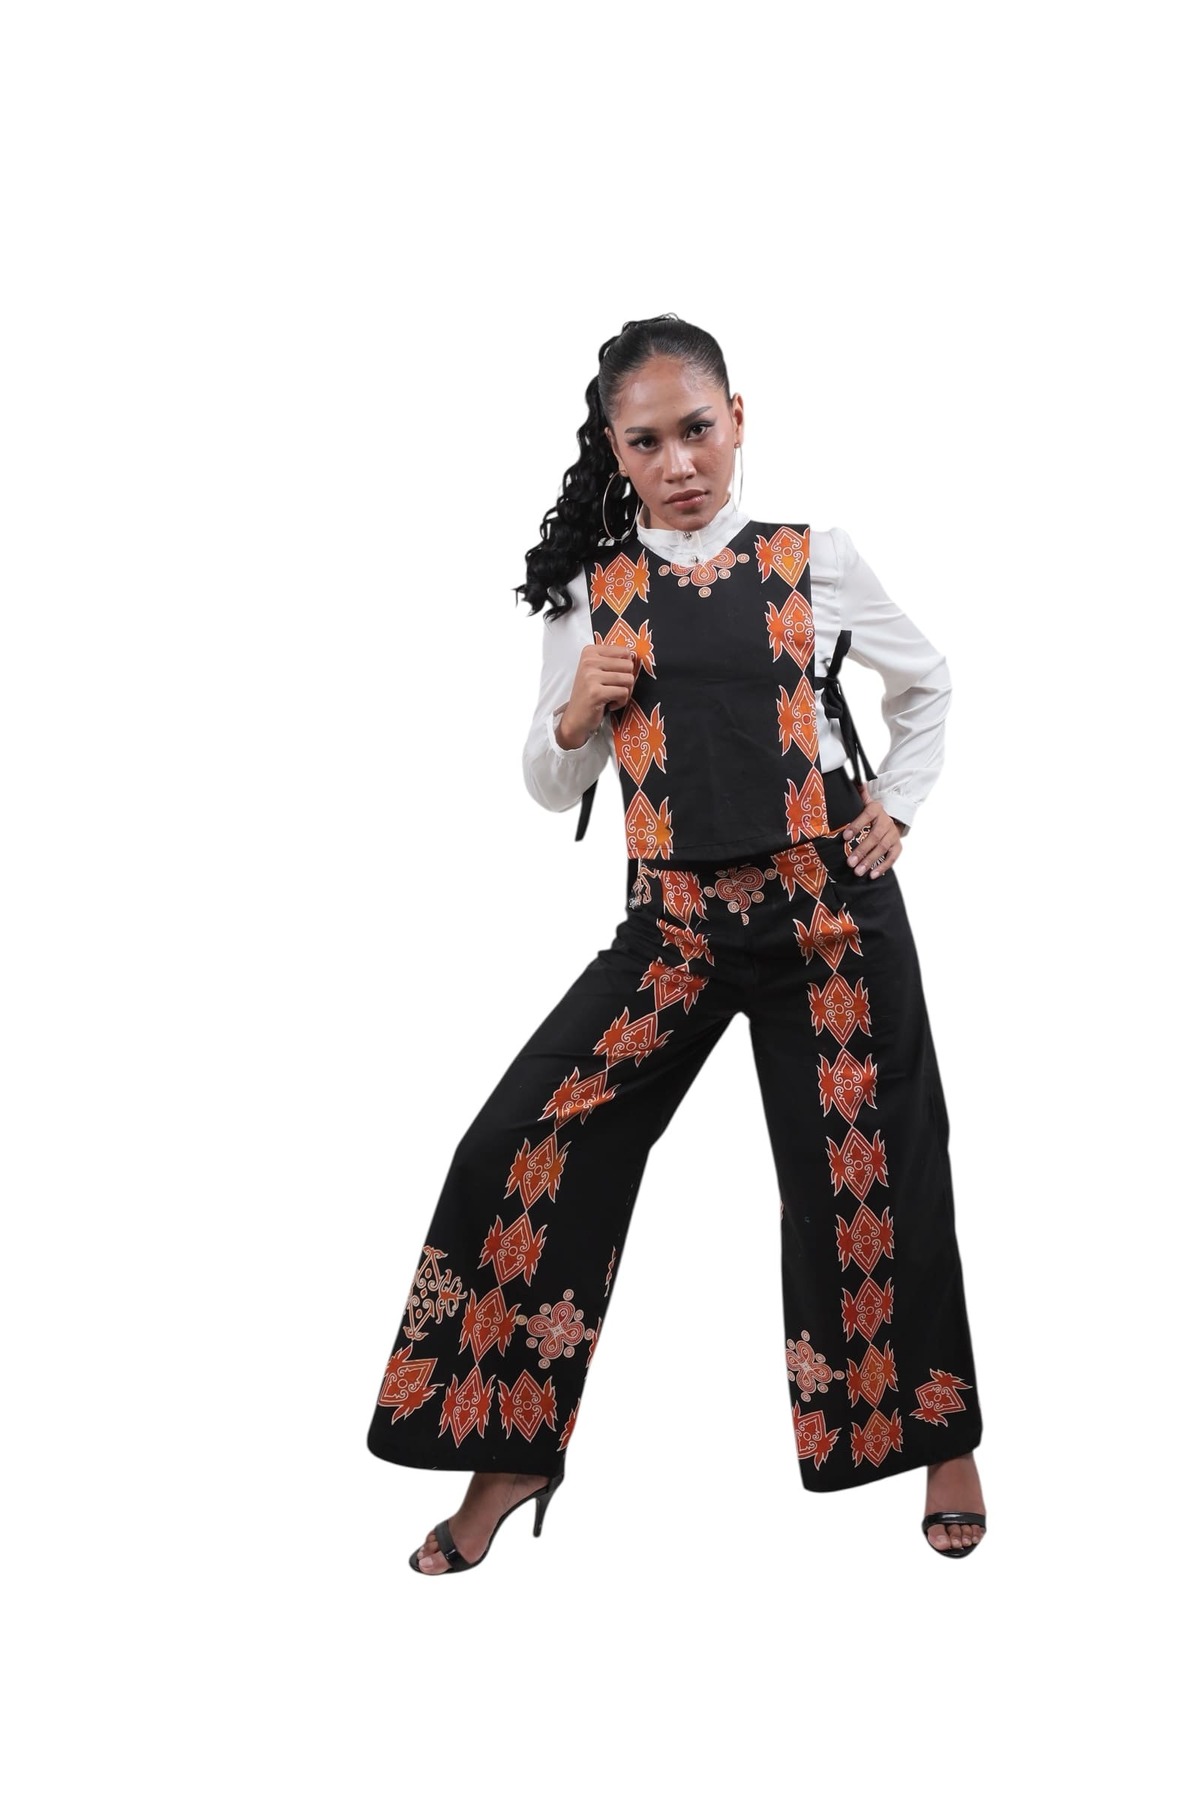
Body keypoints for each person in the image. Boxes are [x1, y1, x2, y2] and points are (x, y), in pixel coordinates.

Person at [366, 314, 987, 1572]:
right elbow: (549, 781)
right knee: (524, 1142)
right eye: (646, 442)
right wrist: (574, 717)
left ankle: (938, 1439)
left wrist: (899, 807)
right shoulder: (586, 591)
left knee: (875, 1169)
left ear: (737, 419)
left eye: (697, 429)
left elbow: (927, 682)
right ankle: (513, 1445)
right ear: (616, 450)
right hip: (674, 927)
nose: (679, 462)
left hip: (828, 911)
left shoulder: (815, 558)